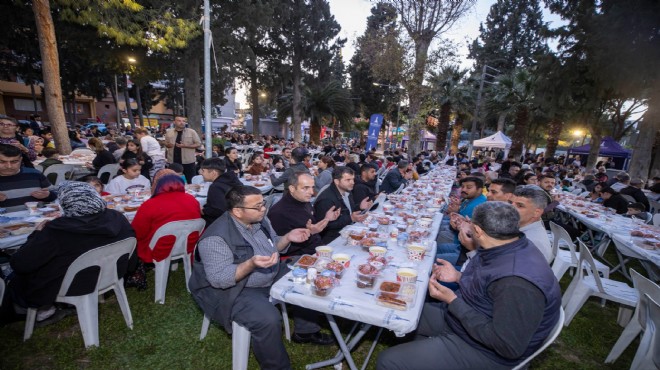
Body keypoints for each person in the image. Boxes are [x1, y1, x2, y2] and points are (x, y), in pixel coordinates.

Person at [377, 202, 561, 370]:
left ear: (478, 231)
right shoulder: (505, 246)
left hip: (486, 352)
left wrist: (453, 301)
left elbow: (508, 346)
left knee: (388, 361)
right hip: (465, 322)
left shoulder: (517, 282)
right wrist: (458, 277)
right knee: (399, 312)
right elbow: (489, 289)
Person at [189, 186, 333, 370]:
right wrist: (250, 264)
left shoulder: (260, 220)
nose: (263, 209)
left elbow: (274, 246)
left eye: (263, 203)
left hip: (268, 273)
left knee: (310, 267)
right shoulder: (216, 238)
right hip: (237, 289)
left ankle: (305, 331)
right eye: (257, 207)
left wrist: (288, 238)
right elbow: (219, 279)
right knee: (268, 319)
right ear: (237, 211)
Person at [8, 182, 135, 323]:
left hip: (72, 283)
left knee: (16, 277)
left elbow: (20, 264)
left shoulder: (57, 230)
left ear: (63, 204)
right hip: (111, 274)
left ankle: (36, 310)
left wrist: (36, 235)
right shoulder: (116, 216)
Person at [131, 169, 201, 264]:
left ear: (157, 185)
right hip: (188, 245)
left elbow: (137, 232)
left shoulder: (150, 204)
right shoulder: (192, 200)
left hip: (159, 249)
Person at [268, 172, 340, 257]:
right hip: (300, 259)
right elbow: (280, 249)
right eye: (305, 188)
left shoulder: (303, 201)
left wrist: (326, 219)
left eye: (312, 187)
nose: (311, 192)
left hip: (318, 248)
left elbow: (312, 226)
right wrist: (310, 233)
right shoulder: (279, 213)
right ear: (292, 188)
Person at [436, 176, 488, 266]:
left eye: (469, 187)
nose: (464, 190)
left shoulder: (478, 206)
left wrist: (455, 214)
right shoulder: (469, 199)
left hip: (462, 245)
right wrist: (457, 210)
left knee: (438, 231)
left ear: (479, 189)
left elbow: (466, 231)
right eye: (462, 187)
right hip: (460, 244)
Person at [313, 167, 371, 244]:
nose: (353, 182)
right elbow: (324, 226)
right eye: (348, 180)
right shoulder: (326, 199)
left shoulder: (347, 191)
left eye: (353, 179)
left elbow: (349, 211)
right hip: (332, 240)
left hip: (346, 233)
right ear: (337, 181)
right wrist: (350, 219)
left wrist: (360, 207)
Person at [0, 144, 56, 210]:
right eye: (2, 162)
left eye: (14, 162)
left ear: (21, 160)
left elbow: (55, 194)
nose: (9, 166)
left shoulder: (34, 174)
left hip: (37, 218)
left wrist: (48, 195)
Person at [509, 186, 553, 263]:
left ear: (537, 213)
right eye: (511, 203)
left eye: (520, 205)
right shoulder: (521, 228)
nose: (511, 208)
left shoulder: (533, 243)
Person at [200, 158, 242, 226]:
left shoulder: (216, 187)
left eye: (203, 171)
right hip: (237, 219)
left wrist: (203, 210)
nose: (201, 173)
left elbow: (218, 210)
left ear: (213, 173)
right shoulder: (232, 179)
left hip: (223, 224)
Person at [164, 116, 201, 183]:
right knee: (172, 181)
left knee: (190, 180)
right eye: (179, 121)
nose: (182, 123)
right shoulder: (169, 132)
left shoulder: (191, 132)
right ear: (174, 122)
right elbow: (166, 143)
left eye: (184, 121)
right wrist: (168, 145)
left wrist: (186, 146)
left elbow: (198, 144)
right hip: (173, 161)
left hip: (188, 161)